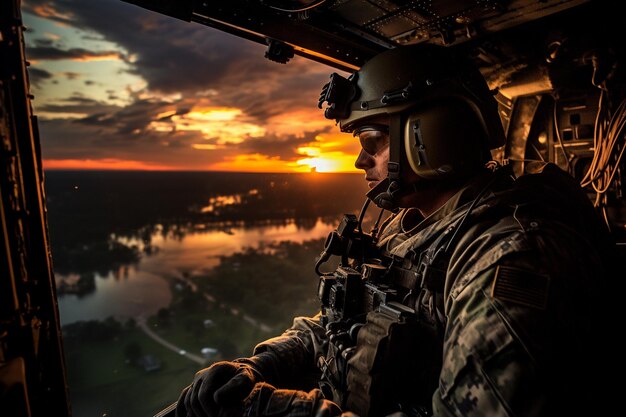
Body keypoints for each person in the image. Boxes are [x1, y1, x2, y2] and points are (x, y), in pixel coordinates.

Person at [175, 44, 617, 417]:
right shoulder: (411, 224)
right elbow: (341, 321)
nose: (359, 161)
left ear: (432, 136)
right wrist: (262, 364)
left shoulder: (511, 256)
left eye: (371, 142)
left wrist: (273, 409)